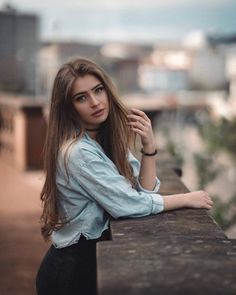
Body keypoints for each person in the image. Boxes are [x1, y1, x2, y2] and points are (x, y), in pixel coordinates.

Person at [36, 58, 213, 295]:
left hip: (90, 261)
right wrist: (186, 199)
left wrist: (149, 146)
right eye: (81, 97)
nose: (95, 102)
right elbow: (128, 204)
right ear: (69, 108)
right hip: (71, 271)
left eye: (98, 90)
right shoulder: (78, 152)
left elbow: (144, 193)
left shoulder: (103, 139)